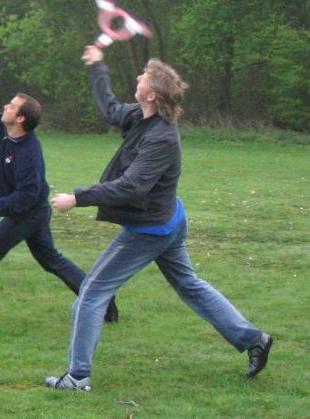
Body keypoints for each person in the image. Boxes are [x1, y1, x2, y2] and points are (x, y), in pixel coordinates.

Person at [45, 45, 273, 391]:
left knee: (92, 291)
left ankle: (78, 377)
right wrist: (97, 67)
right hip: (168, 220)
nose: (137, 77)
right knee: (190, 286)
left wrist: (78, 198)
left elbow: (132, 186)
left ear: (151, 93)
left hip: (150, 229)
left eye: (143, 77)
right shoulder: (141, 116)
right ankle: (255, 339)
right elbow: (109, 108)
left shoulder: (162, 138)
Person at [0, 49, 118, 327]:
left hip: (28, 212)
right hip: (28, 210)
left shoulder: (29, 152)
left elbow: (27, 194)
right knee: (51, 260)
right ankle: (105, 304)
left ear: (21, 119)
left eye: (11, 106)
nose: (4, 107)